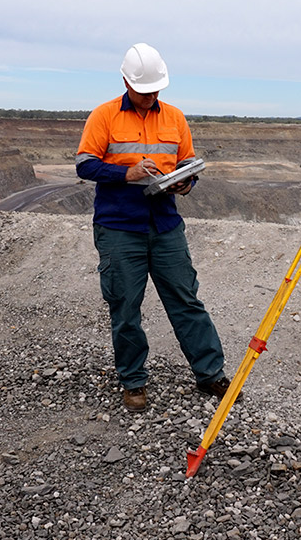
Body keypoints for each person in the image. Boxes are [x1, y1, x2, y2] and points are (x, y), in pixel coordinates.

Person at [75, 42, 234, 412]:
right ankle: (133, 381)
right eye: (144, 91)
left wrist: (185, 182)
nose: (150, 97)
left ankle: (210, 374)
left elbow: (188, 162)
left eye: (155, 90)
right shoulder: (104, 116)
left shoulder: (175, 117)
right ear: (127, 82)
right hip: (119, 227)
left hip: (165, 225)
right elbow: (85, 165)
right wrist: (124, 172)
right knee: (125, 306)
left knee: (186, 300)